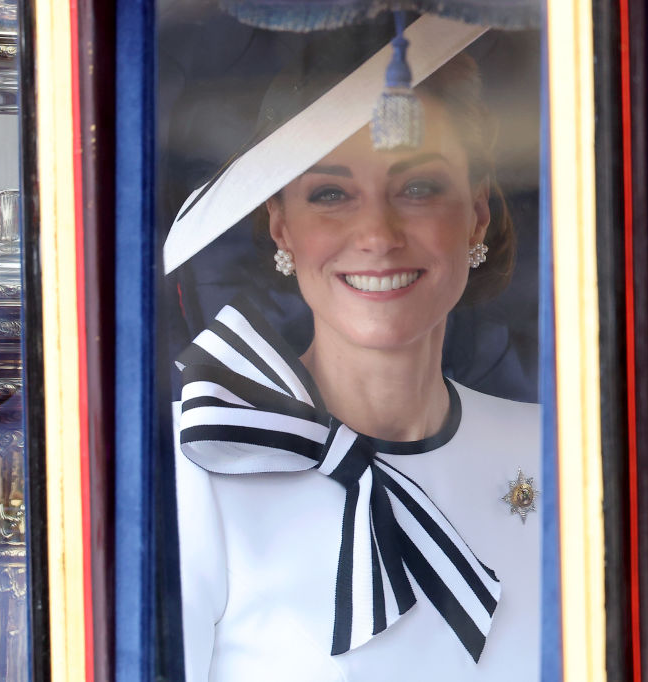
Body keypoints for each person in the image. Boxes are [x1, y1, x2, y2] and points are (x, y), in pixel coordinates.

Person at [165, 14, 541, 681]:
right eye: (332, 194)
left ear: (477, 212)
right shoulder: (199, 465)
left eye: (418, 187)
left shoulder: (557, 454)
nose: (376, 232)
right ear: (281, 224)